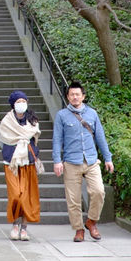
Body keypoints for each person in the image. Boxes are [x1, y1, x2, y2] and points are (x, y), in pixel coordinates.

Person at [52, 81, 114, 242]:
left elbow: (100, 137)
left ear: (83, 96)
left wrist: (108, 158)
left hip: (91, 160)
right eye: (71, 94)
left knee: (99, 191)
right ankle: (79, 229)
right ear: (67, 97)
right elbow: (57, 139)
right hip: (71, 161)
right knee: (73, 199)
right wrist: (57, 161)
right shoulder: (61, 116)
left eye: (77, 94)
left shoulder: (92, 114)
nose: (74, 97)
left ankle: (91, 221)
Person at [0, 90, 42, 241]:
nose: (21, 104)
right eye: (18, 102)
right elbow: (3, 140)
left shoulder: (33, 121)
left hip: (28, 162)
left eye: (24, 101)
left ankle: (24, 227)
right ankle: (14, 224)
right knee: (16, 195)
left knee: (27, 196)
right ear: (13, 104)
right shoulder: (6, 122)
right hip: (12, 163)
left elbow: (35, 139)